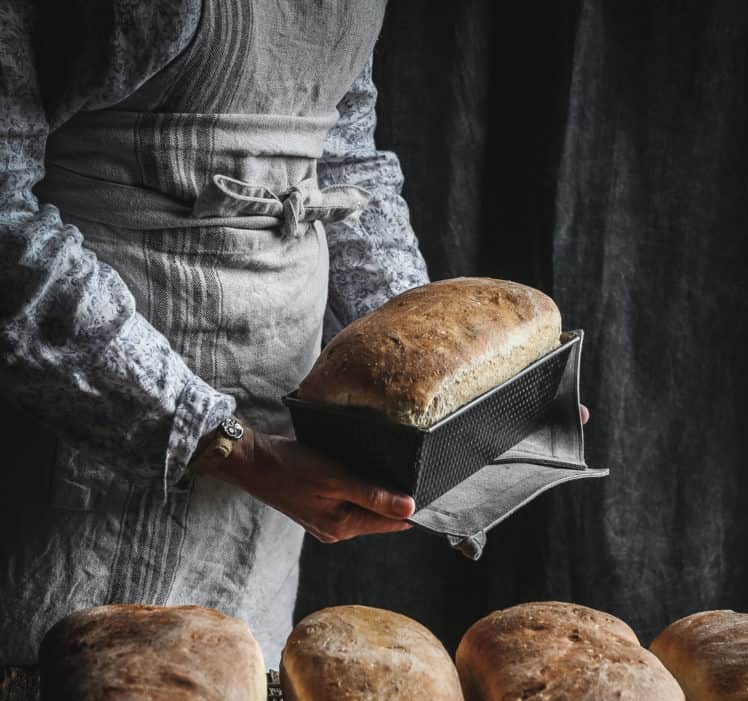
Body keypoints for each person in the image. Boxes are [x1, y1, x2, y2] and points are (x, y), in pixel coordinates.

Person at [0, 0, 427, 666]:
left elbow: (345, 164)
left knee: (219, 697)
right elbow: (4, 223)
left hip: (275, 432)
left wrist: (437, 375)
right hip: (86, 405)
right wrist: (226, 444)